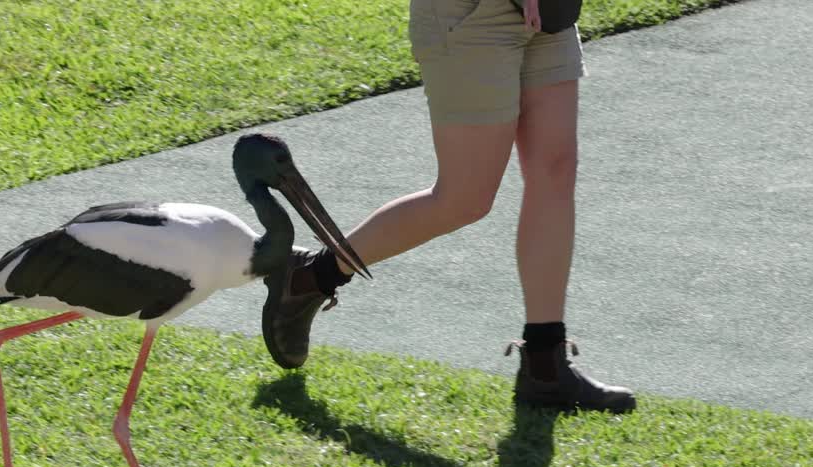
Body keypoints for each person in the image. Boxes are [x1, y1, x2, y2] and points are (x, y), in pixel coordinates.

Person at [261, 0, 635, 412]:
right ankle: (311, 278)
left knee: (555, 173)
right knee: (464, 199)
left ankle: (545, 366)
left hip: (547, 13)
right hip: (469, 15)